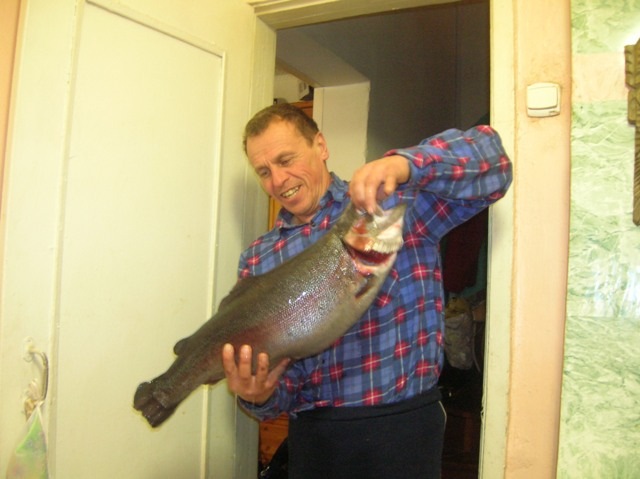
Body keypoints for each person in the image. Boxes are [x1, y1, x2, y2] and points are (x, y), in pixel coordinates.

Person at [222, 103, 512, 479]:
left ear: (320, 145)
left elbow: (493, 163)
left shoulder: (392, 202)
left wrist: (405, 164)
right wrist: (259, 395)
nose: (278, 180)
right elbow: (285, 385)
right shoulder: (259, 260)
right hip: (315, 439)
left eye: (286, 160)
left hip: (403, 430)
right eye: (264, 171)